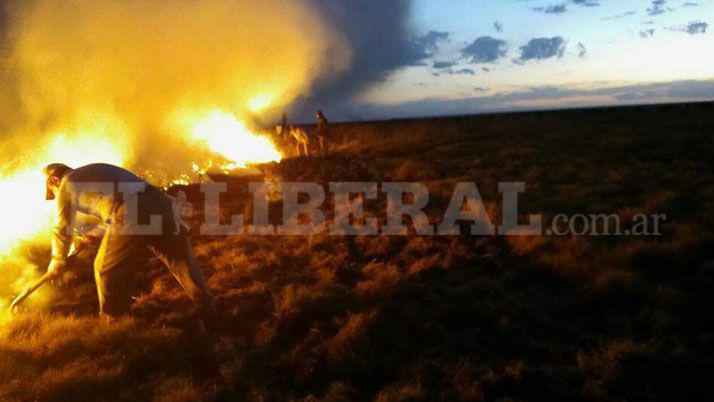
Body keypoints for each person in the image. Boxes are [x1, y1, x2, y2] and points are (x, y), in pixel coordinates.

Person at [43, 163, 215, 320]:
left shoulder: (66, 183)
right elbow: (115, 203)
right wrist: (100, 232)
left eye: (52, 191)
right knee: (180, 259)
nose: (56, 196)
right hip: (161, 202)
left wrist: (57, 260)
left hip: (133, 210)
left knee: (105, 268)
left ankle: (115, 321)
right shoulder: (95, 170)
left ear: (54, 180)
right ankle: (208, 306)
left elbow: (62, 228)